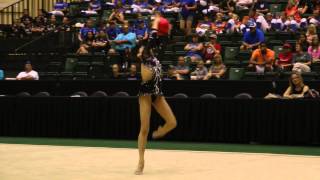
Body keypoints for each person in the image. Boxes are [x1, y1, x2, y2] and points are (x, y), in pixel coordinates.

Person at [135, 45, 177, 175]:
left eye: (144, 49)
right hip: (145, 95)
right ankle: (141, 161)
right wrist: (141, 59)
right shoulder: (143, 63)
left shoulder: (155, 59)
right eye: (141, 50)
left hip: (158, 95)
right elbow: (146, 78)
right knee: (144, 129)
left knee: (172, 122)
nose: (144, 51)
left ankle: (160, 132)